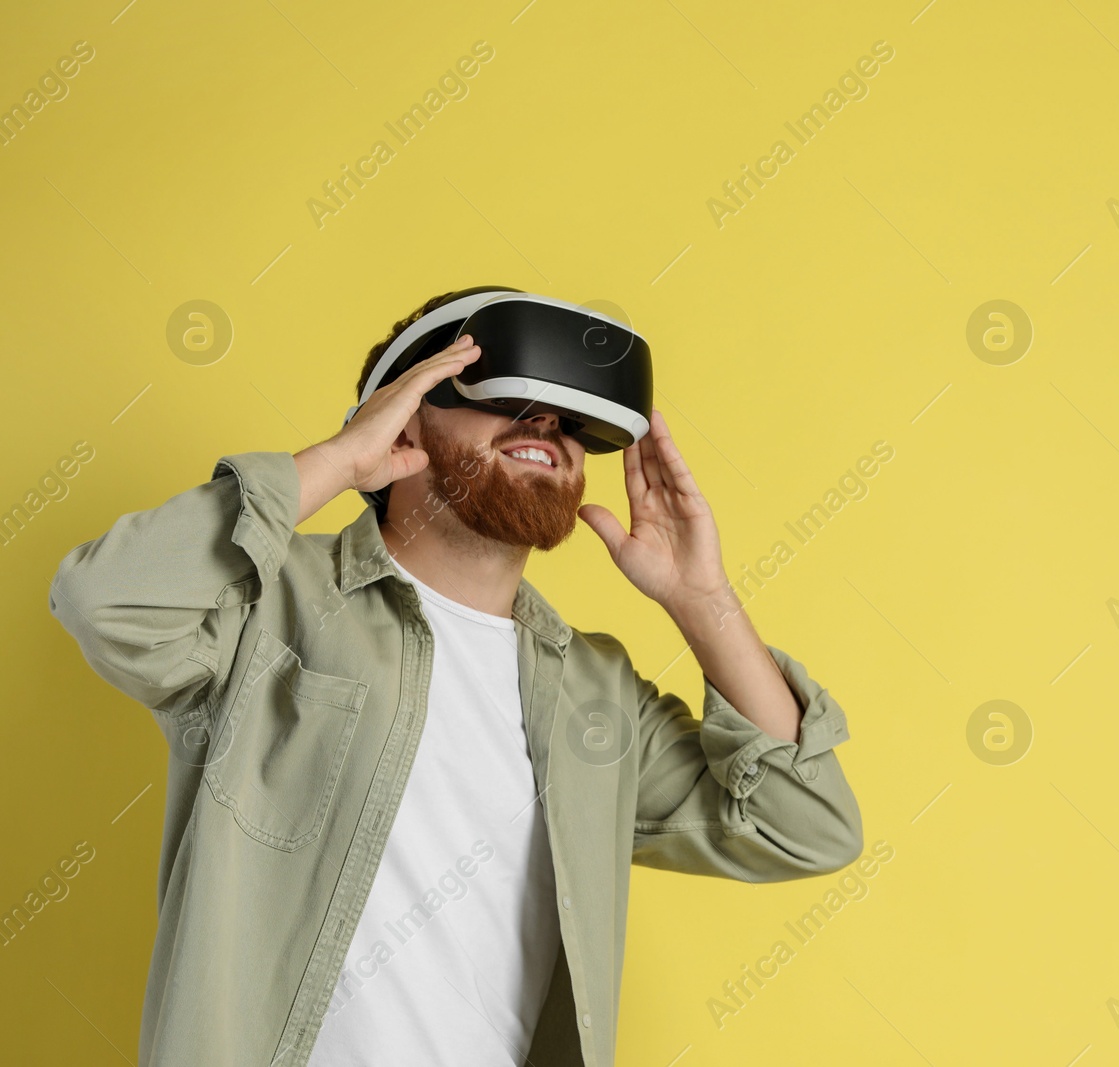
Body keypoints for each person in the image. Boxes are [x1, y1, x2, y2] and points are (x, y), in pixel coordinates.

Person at [47, 291, 865, 1067]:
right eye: (508, 397)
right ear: (402, 418)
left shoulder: (596, 691)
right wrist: (335, 461)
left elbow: (807, 823)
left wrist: (704, 602)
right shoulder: (271, 600)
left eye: (571, 416)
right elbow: (104, 602)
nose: (547, 420)